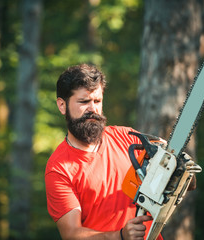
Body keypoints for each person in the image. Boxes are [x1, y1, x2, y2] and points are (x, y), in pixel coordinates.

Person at [45, 63, 165, 240]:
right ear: (62, 106)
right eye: (84, 102)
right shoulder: (59, 168)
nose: (93, 109)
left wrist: (180, 169)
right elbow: (71, 233)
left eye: (97, 101)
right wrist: (120, 236)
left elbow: (180, 177)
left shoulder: (128, 138)